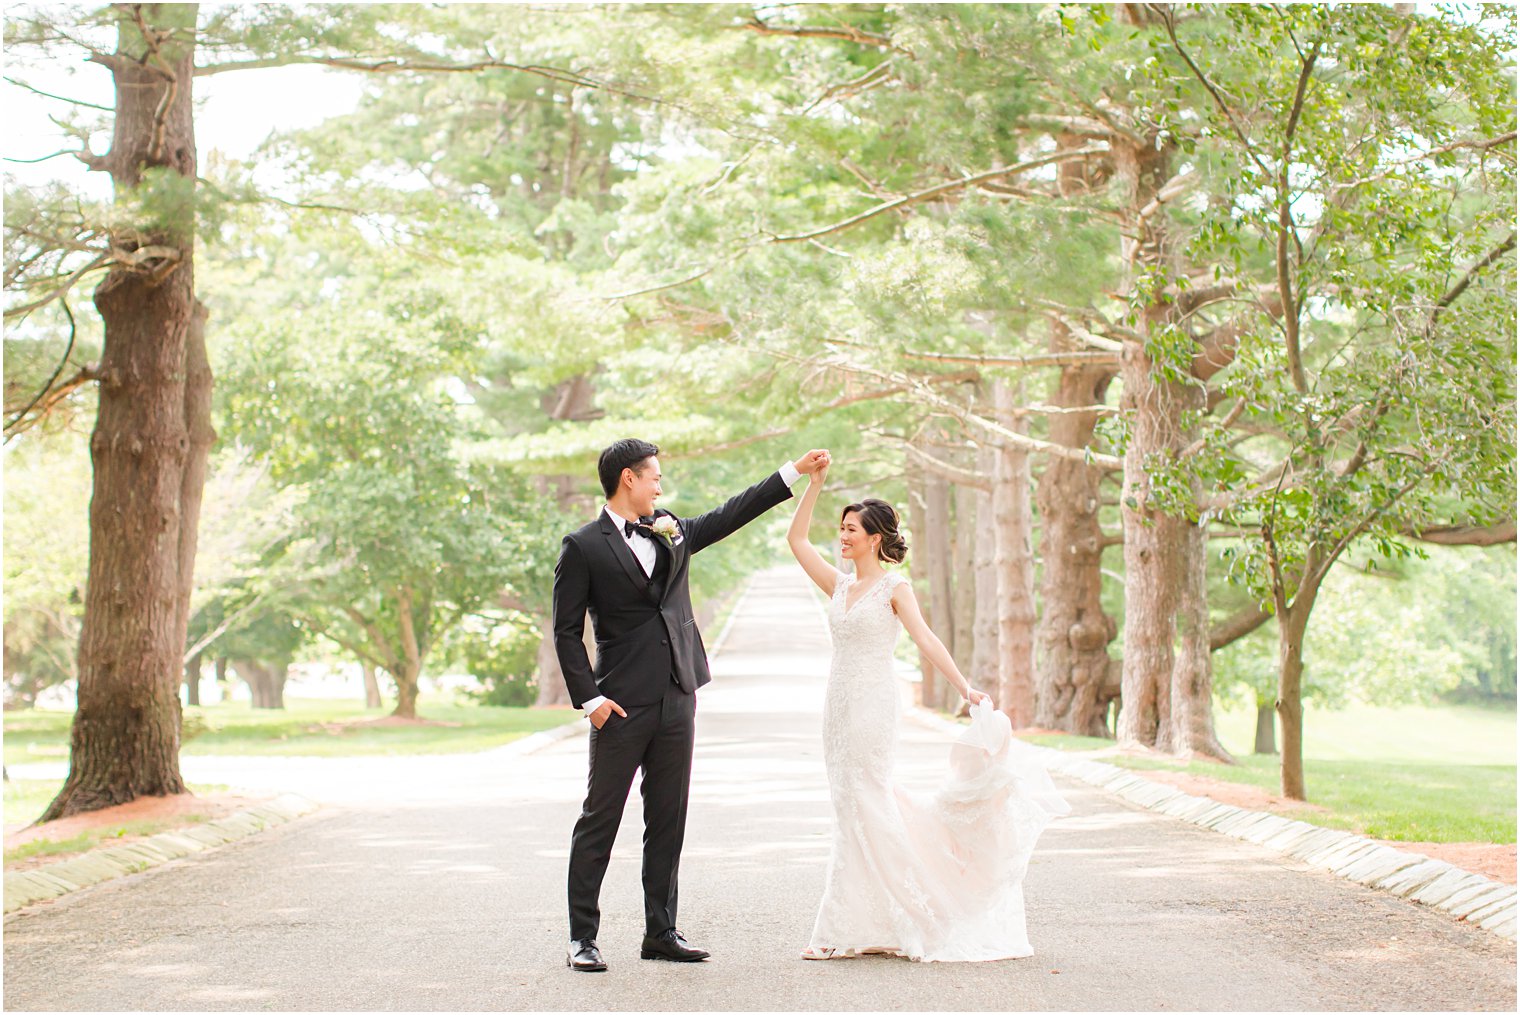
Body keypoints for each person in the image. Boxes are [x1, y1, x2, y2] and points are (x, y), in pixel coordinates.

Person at [552, 438, 830, 972]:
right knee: (600, 819)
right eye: (653, 475)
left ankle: (661, 932)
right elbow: (567, 633)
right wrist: (591, 700)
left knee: (668, 819)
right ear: (628, 479)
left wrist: (793, 471)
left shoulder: (672, 527)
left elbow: (732, 514)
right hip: (620, 704)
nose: (660, 484)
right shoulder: (582, 546)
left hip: (679, 695)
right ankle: (582, 938)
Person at [785, 456, 1070, 962]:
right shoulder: (840, 584)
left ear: (875, 538)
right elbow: (797, 541)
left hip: (874, 705)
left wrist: (964, 687)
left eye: (851, 529)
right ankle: (864, 922)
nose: (843, 536)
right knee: (848, 804)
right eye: (842, 528)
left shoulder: (895, 588)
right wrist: (816, 485)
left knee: (865, 800)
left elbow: (926, 639)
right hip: (838, 707)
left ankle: (861, 924)